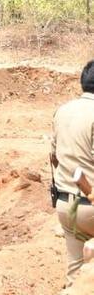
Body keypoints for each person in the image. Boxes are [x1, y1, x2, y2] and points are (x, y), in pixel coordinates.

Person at [51, 59, 94, 282]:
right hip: (91, 205)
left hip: (66, 206)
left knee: (75, 271)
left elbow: (54, 157)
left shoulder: (62, 111)